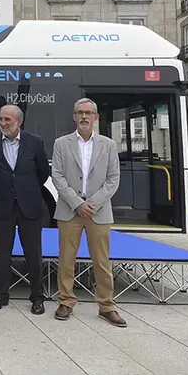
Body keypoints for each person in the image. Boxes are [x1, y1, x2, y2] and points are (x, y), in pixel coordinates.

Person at [52, 98, 126, 327]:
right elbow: (57, 176)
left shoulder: (109, 145)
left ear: (96, 117)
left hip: (99, 211)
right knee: (66, 259)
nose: (84, 117)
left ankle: (106, 306)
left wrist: (92, 203)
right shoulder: (61, 143)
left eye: (89, 113)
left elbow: (113, 179)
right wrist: (77, 204)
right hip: (69, 211)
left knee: (102, 261)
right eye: (80, 112)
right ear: (74, 116)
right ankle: (66, 301)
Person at [0, 104, 49, 314]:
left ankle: (37, 297)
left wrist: (24, 189)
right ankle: (1, 295)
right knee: (2, 254)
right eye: (1, 119)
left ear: (19, 121)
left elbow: (42, 173)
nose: (3, 123)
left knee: (33, 254)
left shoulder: (35, 143)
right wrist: (3, 189)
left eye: (7, 120)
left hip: (29, 206)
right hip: (2, 206)